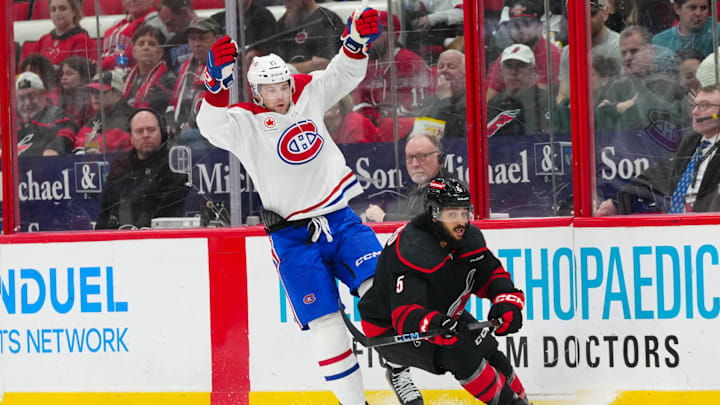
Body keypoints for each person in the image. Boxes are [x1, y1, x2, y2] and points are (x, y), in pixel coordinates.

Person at [196, 8, 382, 404]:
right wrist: (214, 85)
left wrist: (356, 42)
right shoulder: (244, 122)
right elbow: (210, 127)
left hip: (341, 220)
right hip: (294, 238)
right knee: (327, 325)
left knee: (378, 294)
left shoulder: (307, 93)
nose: (281, 95)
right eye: (271, 90)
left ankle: (398, 372)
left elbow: (342, 74)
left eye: (283, 86)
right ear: (255, 92)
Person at [357, 177, 529, 405]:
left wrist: (506, 301)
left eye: (464, 212)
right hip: (389, 330)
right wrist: (437, 324)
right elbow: (405, 315)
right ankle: (397, 368)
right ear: (433, 214)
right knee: (460, 354)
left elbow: (492, 275)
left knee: (487, 348)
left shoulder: (469, 238)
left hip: (441, 311)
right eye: (452, 214)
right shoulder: (413, 248)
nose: (461, 222)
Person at [597, 84, 720, 215]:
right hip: (677, 225)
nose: (695, 112)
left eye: (704, 105)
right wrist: (617, 203)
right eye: (695, 105)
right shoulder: (691, 141)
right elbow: (655, 176)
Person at [96, 108, 190, 229]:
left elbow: (171, 214)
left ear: (162, 133)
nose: (146, 135)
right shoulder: (120, 169)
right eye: (139, 131)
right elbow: (105, 214)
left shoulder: (174, 166)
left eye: (151, 130)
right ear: (131, 137)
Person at [600, 25, 686, 133]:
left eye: (634, 51)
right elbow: (602, 119)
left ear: (652, 50)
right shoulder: (617, 86)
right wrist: (620, 107)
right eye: (623, 53)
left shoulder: (667, 83)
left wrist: (617, 108)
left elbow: (669, 118)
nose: (627, 58)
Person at [352, 11, 432, 124]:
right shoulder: (368, 66)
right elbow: (361, 102)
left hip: (405, 128)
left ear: (393, 35)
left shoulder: (411, 63)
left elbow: (417, 107)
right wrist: (372, 118)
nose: (369, 38)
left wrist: (381, 120)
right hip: (377, 129)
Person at [364, 132, 451, 222]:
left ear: (440, 159)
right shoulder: (413, 194)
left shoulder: (450, 189)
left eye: (421, 156)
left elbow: (431, 224)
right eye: (410, 157)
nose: (415, 164)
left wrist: (384, 218)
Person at [486, 0, 561, 102]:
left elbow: (542, 99)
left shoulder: (550, 54)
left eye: (526, 24)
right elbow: (489, 97)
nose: (520, 30)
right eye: (515, 25)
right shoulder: (508, 54)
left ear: (539, 26)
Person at [168, 17, 222, 148]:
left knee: (189, 138)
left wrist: (190, 125)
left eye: (202, 38)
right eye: (192, 39)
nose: (197, 44)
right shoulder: (185, 67)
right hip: (186, 131)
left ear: (217, 39)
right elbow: (172, 103)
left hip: (215, 135)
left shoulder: (225, 67)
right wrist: (169, 123)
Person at [556, 0, 620, 103]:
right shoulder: (568, 52)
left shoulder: (618, 46)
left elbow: (621, 94)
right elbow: (563, 95)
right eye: (576, 14)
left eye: (591, 14)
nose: (583, 19)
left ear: (604, 14)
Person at [487, 43, 551, 137]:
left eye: (520, 66)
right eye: (509, 66)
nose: (514, 72)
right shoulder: (494, 103)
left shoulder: (545, 100)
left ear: (532, 71)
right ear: (502, 71)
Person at [274, 0, 345, 74]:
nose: (286, 6)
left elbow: (324, 63)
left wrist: (289, 69)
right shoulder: (287, 20)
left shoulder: (327, 21)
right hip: (285, 81)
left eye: (289, 1)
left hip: (316, 81)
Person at [16, 71, 77, 156]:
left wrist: (54, 148)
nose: (27, 103)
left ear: (43, 93)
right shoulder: (14, 126)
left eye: (31, 96)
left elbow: (68, 131)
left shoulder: (57, 115)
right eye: (21, 98)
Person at [74, 70, 135, 154]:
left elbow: (107, 145)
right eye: (92, 92)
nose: (95, 96)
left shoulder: (131, 119)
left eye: (100, 92)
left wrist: (89, 147)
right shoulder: (97, 118)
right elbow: (79, 143)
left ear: (117, 95)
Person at [413, 49, 467, 137]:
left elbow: (454, 134)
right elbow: (420, 135)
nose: (444, 70)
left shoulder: (469, 102)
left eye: (451, 67)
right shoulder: (428, 102)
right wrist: (442, 100)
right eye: (441, 66)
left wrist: (444, 100)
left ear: (465, 75)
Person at [101, 0, 167, 70]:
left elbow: (133, 54)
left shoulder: (155, 22)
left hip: (132, 74)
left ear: (151, 1)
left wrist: (103, 65)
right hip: (108, 71)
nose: (134, 0)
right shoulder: (118, 24)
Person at [124, 25, 176, 113]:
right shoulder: (125, 79)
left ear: (160, 52)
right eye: (141, 44)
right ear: (134, 52)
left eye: (151, 44)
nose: (146, 47)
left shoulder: (168, 80)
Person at [210, 0, 278, 65]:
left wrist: (256, 53)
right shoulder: (216, 20)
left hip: (253, 70)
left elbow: (268, 48)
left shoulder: (264, 17)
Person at [30, 0, 94, 66]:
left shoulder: (82, 40)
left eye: (62, 9)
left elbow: (75, 72)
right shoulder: (44, 39)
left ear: (74, 11)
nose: (57, 13)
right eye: (53, 10)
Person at [652, 0, 716, 57]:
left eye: (703, 8)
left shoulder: (717, 33)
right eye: (692, 8)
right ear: (677, 8)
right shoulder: (660, 41)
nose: (698, 13)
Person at [157, 0, 200, 70]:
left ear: (185, 12)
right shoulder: (171, 45)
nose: (169, 30)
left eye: (171, 23)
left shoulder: (212, 35)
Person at [58, 56, 96, 127]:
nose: (64, 78)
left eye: (69, 74)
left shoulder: (90, 99)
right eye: (62, 74)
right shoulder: (64, 95)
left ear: (83, 76)